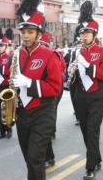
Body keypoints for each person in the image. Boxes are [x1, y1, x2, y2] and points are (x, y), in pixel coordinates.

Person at [12, 0, 62, 180]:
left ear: (38, 33)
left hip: (43, 112)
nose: (25, 36)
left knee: (35, 158)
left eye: (30, 32)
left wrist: (30, 84)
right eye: (23, 31)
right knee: (28, 159)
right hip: (23, 113)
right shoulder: (17, 55)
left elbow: (56, 87)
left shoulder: (49, 55)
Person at [69, 0, 103, 179]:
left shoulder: (102, 52)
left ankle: (90, 166)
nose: (84, 36)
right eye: (82, 33)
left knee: (93, 130)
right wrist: (71, 71)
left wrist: (88, 66)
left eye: (87, 33)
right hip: (80, 95)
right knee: (86, 130)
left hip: (96, 95)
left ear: (94, 34)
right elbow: (73, 75)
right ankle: (97, 157)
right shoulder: (77, 52)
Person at [39, 32, 66, 168]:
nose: (41, 47)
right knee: (43, 130)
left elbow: (59, 74)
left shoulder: (54, 55)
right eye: (40, 44)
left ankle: (48, 157)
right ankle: (49, 156)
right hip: (36, 95)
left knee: (44, 127)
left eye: (43, 44)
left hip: (52, 91)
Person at [0, 34, 12, 139]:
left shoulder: (8, 58)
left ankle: (8, 129)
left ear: (5, 46)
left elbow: (9, 72)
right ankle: (1, 131)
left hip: (5, 86)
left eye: (1, 45)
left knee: (6, 108)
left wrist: (0, 69)